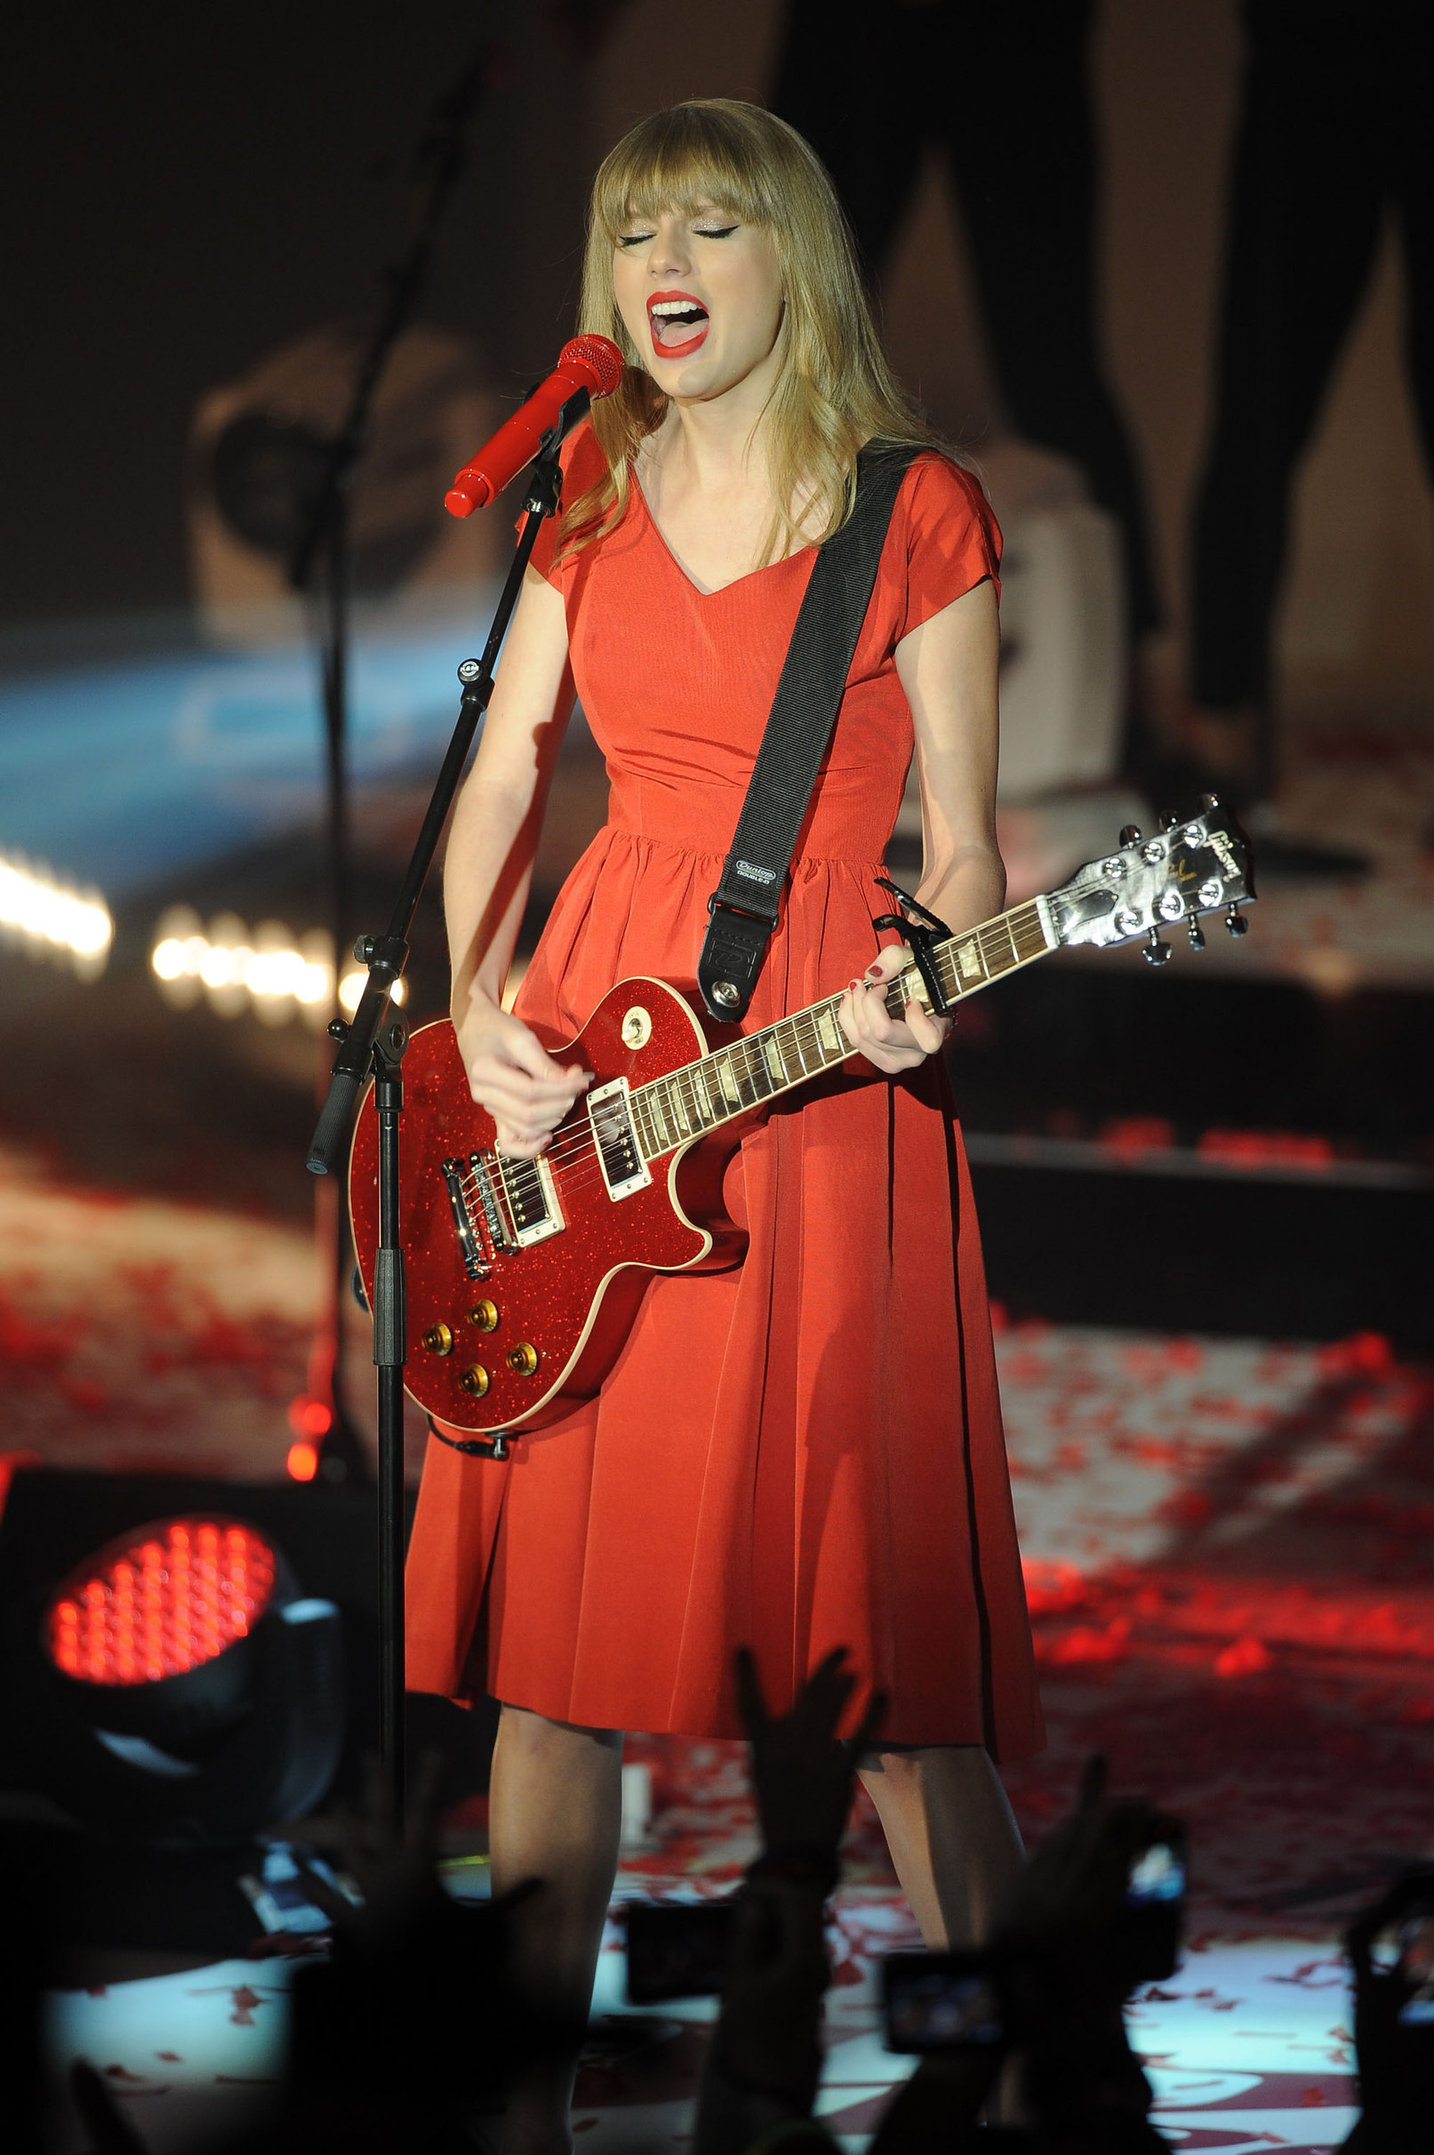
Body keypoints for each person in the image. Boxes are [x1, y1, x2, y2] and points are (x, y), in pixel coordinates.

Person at [403, 97, 1043, 2152]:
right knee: (554, 1664)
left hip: (820, 1082)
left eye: (706, 225)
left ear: (792, 261)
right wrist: (480, 1005)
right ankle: (520, 2116)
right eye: (631, 232)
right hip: (595, 1054)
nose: (661, 264)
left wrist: (922, 974)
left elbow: (964, 837)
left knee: (889, 1679)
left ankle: (1024, 2085)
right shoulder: (577, 498)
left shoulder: (912, 506)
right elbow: (503, 773)